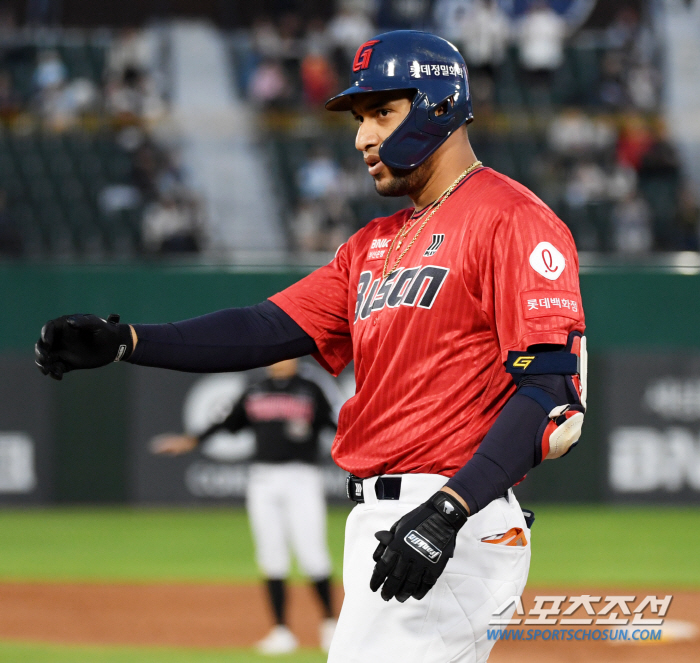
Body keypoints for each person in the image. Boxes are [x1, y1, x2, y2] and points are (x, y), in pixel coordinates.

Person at [35, 31, 587, 663]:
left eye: (382, 112)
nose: (363, 138)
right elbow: (262, 328)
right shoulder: (373, 244)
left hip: (444, 519)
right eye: (359, 119)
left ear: (439, 104)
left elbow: (551, 394)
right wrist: (126, 341)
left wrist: (448, 511)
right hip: (396, 523)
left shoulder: (511, 219)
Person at [152, 358, 338, 654]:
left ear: (295, 357)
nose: (280, 360)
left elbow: (333, 426)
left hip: (303, 477)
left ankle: (330, 626)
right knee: (270, 554)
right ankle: (281, 631)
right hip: (263, 478)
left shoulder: (309, 388)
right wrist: (193, 440)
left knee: (312, 553)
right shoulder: (256, 389)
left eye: (286, 355)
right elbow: (228, 422)